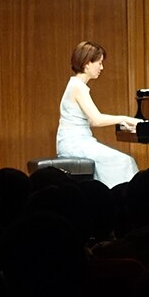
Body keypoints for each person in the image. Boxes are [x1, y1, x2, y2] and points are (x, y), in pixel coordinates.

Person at [56, 41, 140, 188]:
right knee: (124, 161)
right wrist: (124, 118)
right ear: (87, 63)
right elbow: (96, 120)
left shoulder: (77, 85)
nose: (102, 67)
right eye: (99, 63)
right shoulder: (77, 87)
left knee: (122, 160)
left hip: (78, 142)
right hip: (74, 144)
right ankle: (123, 202)